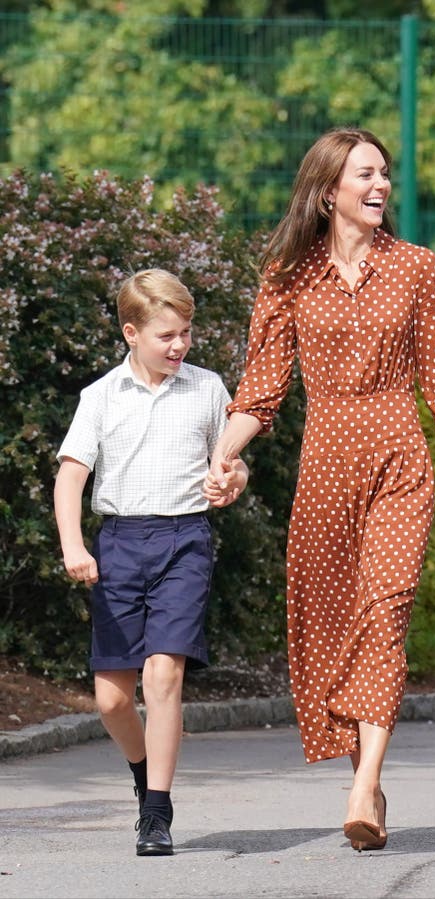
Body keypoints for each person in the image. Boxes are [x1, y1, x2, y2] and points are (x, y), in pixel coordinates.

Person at [206, 127, 435, 852]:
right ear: (328, 188)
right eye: (365, 175)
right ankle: (365, 774)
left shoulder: (415, 268)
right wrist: (223, 455)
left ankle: (364, 781)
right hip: (325, 466)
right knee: (337, 626)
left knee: (387, 610)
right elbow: (262, 385)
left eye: (385, 175)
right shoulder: (287, 276)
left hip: (399, 457)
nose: (380, 187)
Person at [53, 268, 248, 857]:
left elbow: (232, 464)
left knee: (164, 671)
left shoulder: (208, 389)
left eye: (186, 332)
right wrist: (73, 545)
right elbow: (69, 480)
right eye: (167, 335)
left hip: (185, 540)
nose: (180, 345)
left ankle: (157, 814)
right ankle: (143, 778)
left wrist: (233, 478)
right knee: (112, 697)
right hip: (118, 544)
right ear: (131, 333)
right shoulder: (101, 396)